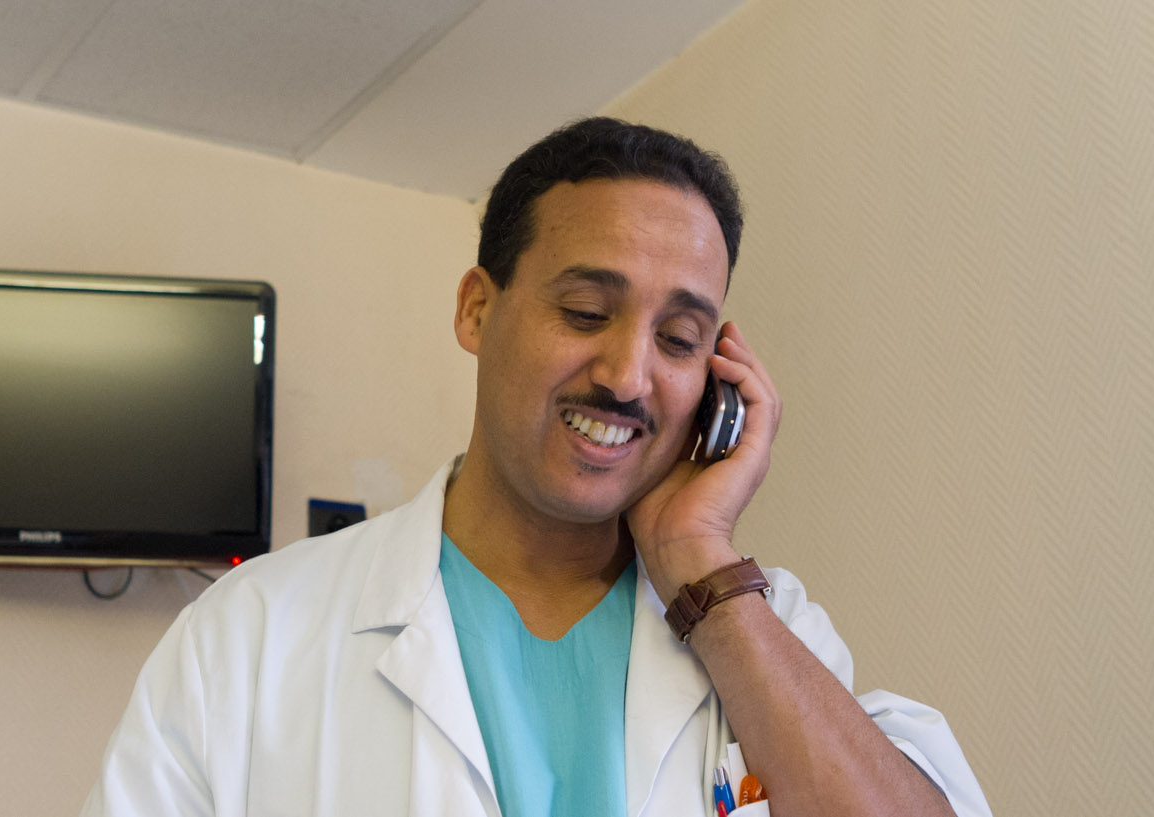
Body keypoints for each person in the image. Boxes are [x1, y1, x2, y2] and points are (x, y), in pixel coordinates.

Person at [81, 118, 990, 817]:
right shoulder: (249, 636)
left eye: (678, 338)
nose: (629, 376)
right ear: (478, 310)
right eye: (588, 311)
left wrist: (702, 563)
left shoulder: (761, 626)